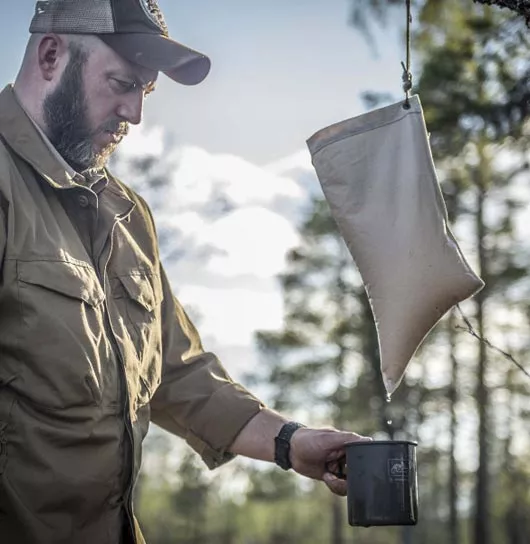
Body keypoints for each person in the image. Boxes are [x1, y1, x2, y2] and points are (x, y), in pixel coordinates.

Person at [0, 1, 370, 542]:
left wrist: (291, 442)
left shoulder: (128, 216)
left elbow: (176, 371)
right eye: (122, 83)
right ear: (51, 54)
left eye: (145, 92)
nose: (135, 114)